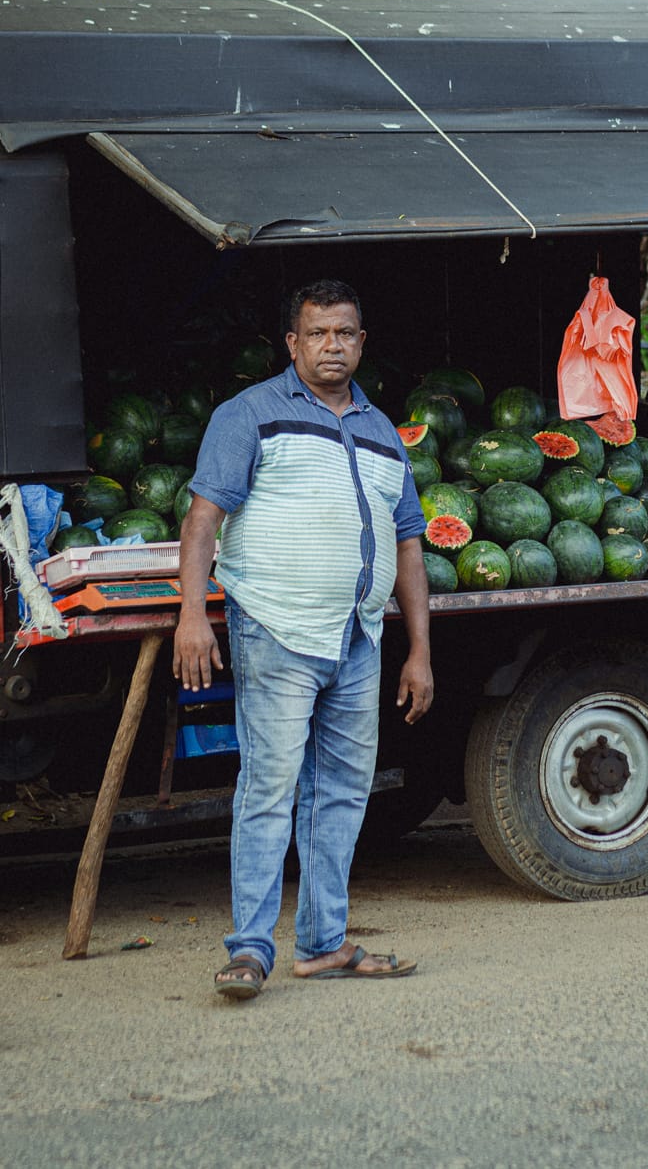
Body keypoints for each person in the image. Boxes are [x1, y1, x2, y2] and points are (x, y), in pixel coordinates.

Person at [173, 278, 433, 1000]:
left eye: (344, 333)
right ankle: (250, 950)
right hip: (277, 626)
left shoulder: (383, 431)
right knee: (269, 789)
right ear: (292, 343)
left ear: (361, 342)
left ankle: (321, 945)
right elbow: (203, 520)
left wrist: (419, 650)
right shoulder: (249, 413)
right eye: (317, 334)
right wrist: (192, 614)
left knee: (343, 794)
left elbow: (408, 545)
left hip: (357, 639)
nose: (332, 346)